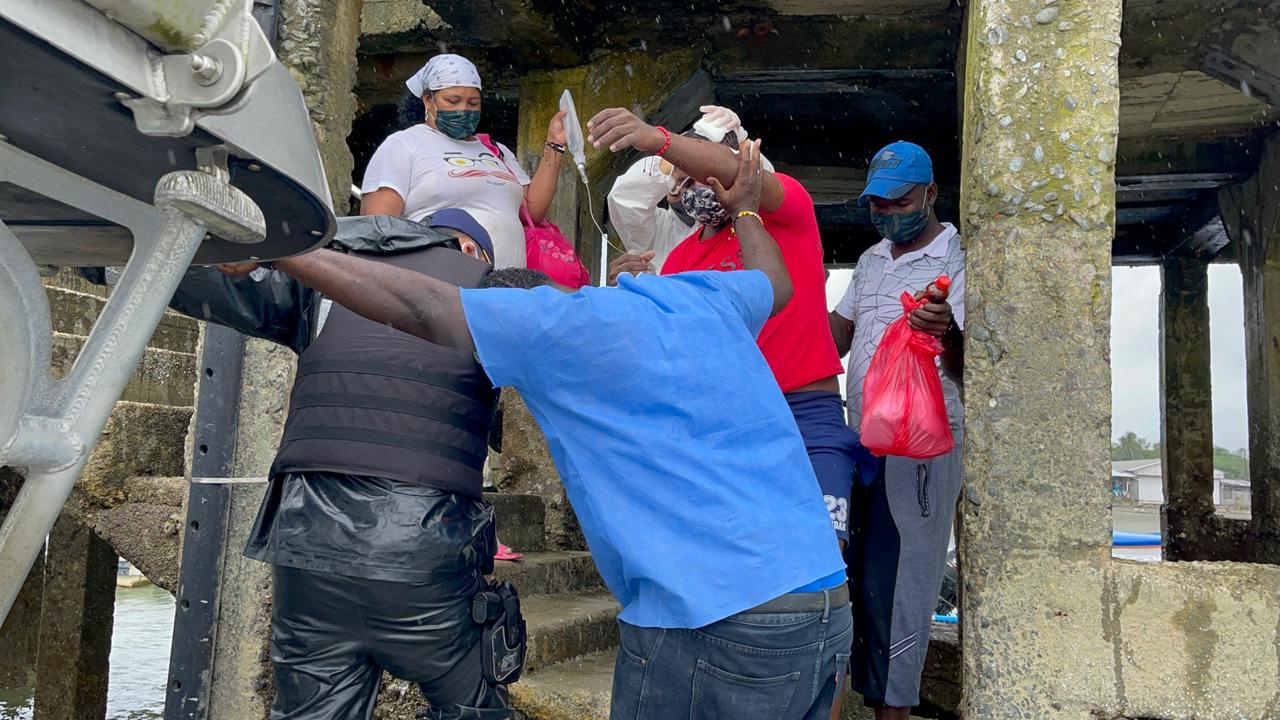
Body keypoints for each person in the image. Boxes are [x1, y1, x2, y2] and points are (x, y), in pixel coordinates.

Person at [269, 140, 853, 720]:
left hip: (710, 616)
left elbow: (422, 307)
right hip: (820, 597)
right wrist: (747, 208)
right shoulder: (700, 295)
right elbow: (776, 282)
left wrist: (282, 251)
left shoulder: (546, 329)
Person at [88, 212, 516, 719]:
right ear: (472, 252)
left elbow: (203, 278)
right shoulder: (490, 294)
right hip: (421, 545)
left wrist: (96, 250)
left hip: (304, 539)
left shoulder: (324, 282)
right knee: (474, 706)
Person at [597, 107, 861, 550]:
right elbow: (672, 351)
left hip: (805, 413)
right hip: (725, 420)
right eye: (684, 178)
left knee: (822, 553)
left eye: (701, 168)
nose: (698, 183)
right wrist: (627, 298)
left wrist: (658, 139)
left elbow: (733, 168)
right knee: (740, 555)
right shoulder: (679, 258)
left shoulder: (786, 210)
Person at [827, 141, 965, 720]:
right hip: (862, 442)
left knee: (904, 587)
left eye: (899, 202)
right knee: (857, 582)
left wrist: (947, 331)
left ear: (931, 193)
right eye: (877, 206)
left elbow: (972, 367)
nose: (888, 214)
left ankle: (896, 712)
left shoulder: (960, 261)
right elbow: (835, 336)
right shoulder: (872, 259)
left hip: (921, 450)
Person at [360, 53, 567, 268]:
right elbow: (378, 229)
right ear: (428, 99)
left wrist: (555, 145)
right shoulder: (404, 144)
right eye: (453, 101)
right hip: (438, 284)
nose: (463, 109)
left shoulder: (497, 151)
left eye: (473, 103)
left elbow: (532, 211)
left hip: (506, 288)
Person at [606, 105, 771, 270]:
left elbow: (768, 187)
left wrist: (742, 144)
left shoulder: (751, 223)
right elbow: (625, 199)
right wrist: (670, 154)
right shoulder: (659, 232)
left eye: (709, 181)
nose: (697, 191)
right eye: (686, 182)